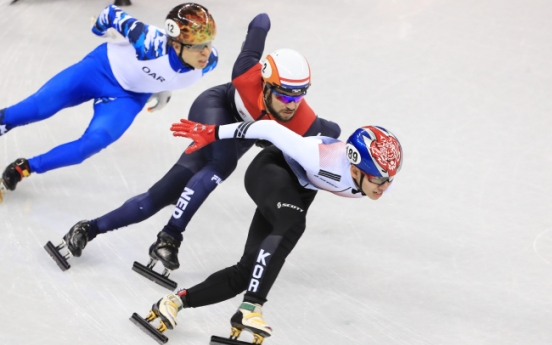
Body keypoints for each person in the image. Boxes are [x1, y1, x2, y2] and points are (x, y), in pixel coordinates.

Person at [56, 13, 340, 277]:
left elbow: (331, 132)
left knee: (160, 196)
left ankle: (88, 228)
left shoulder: (302, 120)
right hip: (213, 109)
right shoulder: (246, 74)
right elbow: (259, 23)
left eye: (298, 97)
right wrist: (261, 25)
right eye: (284, 96)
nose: (291, 105)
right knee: (223, 163)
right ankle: (170, 236)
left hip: (235, 135)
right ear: (265, 85)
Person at [132, 118, 403, 344]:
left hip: (299, 190)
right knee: (293, 224)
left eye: (389, 179)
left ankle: (174, 302)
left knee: (246, 272)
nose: (384, 186)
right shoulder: (322, 158)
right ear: (355, 168)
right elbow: (267, 129)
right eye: (378, 179)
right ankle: (251, 307)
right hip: (272, 170)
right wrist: (212, 132)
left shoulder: (371, 178)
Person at [0, 3, 218, 202]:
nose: (205, 53)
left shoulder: (210, 62)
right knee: (35, 109)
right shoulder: (149, 40)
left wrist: (162, 87)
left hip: (128, 97)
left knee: (90, 145)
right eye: (197, 46)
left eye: (208, 44)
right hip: (99, 69)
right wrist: (101, 31)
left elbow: (173, 71)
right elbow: (111, 14)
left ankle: (25, 167)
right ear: (175, 44)